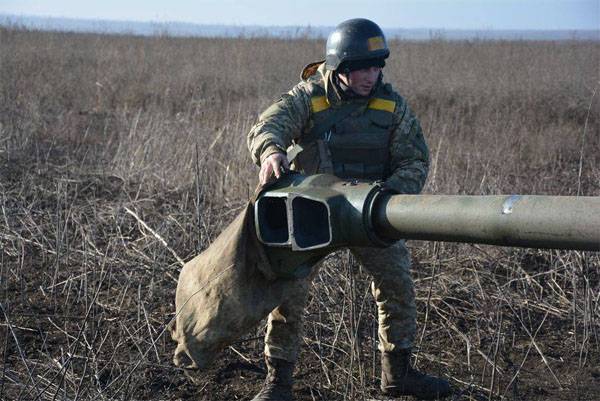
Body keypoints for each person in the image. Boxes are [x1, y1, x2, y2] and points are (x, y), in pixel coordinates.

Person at [246, 18, 451, 400]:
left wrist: (389, 198)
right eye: (361, 68)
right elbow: (267, 124)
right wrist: (271, 152)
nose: (369, 76)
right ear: (340, 67)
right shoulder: (308, 97)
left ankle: (398, 373)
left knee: (397, 283)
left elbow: (415, 161)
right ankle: (277, 383)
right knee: (288, 289)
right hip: (311, 213)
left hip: (366, 214)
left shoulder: (392, 107)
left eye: (376, 67)